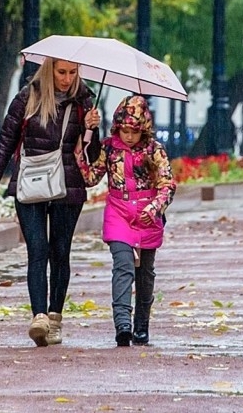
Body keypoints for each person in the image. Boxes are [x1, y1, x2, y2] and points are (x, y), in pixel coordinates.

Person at [0, 57, 101, 347]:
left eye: (73, 72)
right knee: (37, 250)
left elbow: (94, 154)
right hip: (30, 181)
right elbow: (5, 140)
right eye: (61, 72)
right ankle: (39, 318)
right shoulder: (27, 97)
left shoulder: (85, 101)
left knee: (60, 251)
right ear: (50, 70)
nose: (66, 78)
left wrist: (92, 129)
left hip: (67, 184)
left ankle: (55, 317)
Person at [75, 95, 176, 347]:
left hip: (147, 214)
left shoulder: (154, 150)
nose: (129, 136)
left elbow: (167, 184)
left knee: (145, 273)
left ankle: (142, 324)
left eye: (134, 131)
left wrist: (154, 207)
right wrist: (84, 144)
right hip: (119, 211)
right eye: (124, 130)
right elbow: (91, 177)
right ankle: (122, 323)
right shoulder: (110, 148)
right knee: (123, 265)